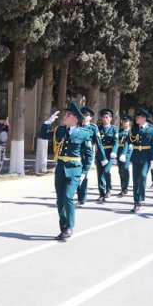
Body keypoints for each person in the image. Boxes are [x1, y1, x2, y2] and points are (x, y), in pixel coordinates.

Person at [38, 102, 92, 241]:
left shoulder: (84, 133)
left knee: (68, 196)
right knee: (60, 200)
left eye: (68, 115)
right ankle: (63, 228)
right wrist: (48, 122)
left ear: (75, 118)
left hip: (74, 169)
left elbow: (88, 155)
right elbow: (42, 135)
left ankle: (70, 226)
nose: (65, 116)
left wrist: (84, 173)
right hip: (61, 168)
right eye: (65, 114)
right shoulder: (60, 130)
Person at [121, 108, 153, 212]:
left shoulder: (152, 129)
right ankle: (136, 202)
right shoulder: (134, 129)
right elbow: (127, 142)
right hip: (136, 156)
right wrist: (123, 153)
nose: (136, 118)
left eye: (138, 117)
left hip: (146, 156)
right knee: (135, 179)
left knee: (142, 176)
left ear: (143, 118)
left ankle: (141, 199)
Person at [76, 107, 104, 205]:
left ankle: (82, 198)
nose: (84, 117)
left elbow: (99, 143)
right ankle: (79, 196)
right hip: (76, 153)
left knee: (84, 175)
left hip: (87, 154)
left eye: (86, 115)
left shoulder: (93, 127)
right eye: (83, 115)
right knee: (77, 174)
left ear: (90, 118)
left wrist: (103, 157)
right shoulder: (77, 125)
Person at [96, 108, 118, 202]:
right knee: (100, 173)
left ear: (110, 118)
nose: (105, 119)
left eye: (107, 117)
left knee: (106, 171)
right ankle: (101, 193)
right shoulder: (98, 129)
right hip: (100, 154)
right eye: (104, 117)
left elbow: (116, 142)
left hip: (109, 154)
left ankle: (108, 189)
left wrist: (114, 152)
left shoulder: (114, 129)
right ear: (101, 118)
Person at [116, 114, 133, 196]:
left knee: (125, 168)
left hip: (128, 152)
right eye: (123, 121)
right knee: (120, 170)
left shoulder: (132, 132)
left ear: (129, 122)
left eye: (126, 121)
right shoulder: (119, 131)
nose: (124, 123)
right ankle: (122, 186)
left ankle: (125, 188)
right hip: (119, 151)